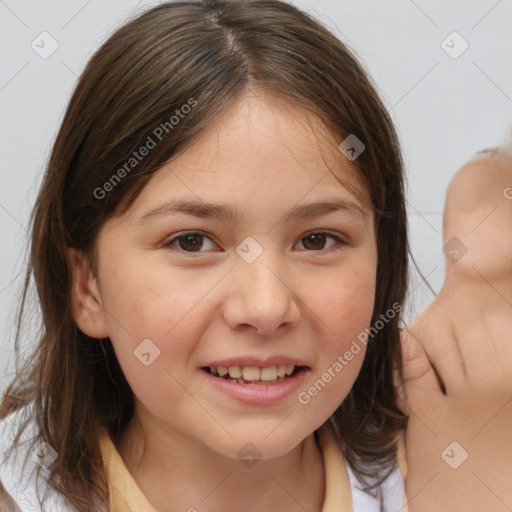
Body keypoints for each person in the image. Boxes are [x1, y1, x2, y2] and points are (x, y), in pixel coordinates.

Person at [0, 1, 510, 511]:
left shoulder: (461, 453)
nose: (265, 308)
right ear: (86, 286)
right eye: (191, 242)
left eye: (317, 240)